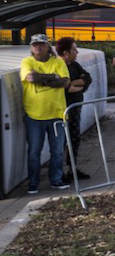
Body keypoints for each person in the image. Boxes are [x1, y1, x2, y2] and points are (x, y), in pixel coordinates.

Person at [20, 34, 71, 194]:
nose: (38, 47)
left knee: (57, 151)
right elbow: (30, 77)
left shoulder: (58, 62)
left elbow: (65, 82)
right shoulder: (27, 62)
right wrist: (52, 77)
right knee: (34, 151)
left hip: (57, 113)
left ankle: (56, 180)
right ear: (31, 47)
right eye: (35, 45)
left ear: (48, 46)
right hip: (34, 115)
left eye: (41, 44)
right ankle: (33, 184)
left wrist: (41, 79)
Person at [56, 37, 92, 182]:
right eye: (74, 50)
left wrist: (74, 84)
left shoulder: (75, 65)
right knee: (62, 141)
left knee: (75, 138)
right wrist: (77, 85)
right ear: (66, 53)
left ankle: (72, 168)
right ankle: (61, 172)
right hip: (62, 109)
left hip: (75, 108)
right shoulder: (57, 66)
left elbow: (88, 79)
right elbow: (65, 89)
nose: (77, 52)